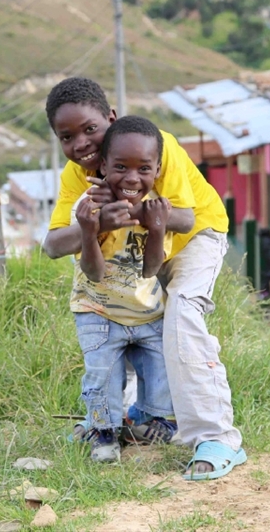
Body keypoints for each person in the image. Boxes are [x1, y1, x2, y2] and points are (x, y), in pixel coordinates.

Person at [43, 77, 246, 480]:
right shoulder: (76, 174)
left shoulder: (152, 144)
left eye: (90, 129)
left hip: (194, 237)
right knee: (121, 310)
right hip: (141, 248)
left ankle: (218, 436)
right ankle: (117, 418)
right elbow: (52, 244)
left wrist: (128, 209)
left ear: (111, 119)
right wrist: (96, 220)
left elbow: (184, 218)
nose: (82, 144)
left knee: (182, 314)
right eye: (68, 137)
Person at [70, 116, 177, 463]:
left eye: (143, 168)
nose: (132, 178)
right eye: (120, 167)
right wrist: (89, 230)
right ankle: (102, 433)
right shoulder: (89, 207)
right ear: (103, 165)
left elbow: (150, 268)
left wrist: (157, 228)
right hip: (98, 312)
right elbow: (94, 272)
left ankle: (148, 419)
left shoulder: (159, 207)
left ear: (157, 169)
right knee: (102, 374)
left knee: (161, 372)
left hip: (146, 311)